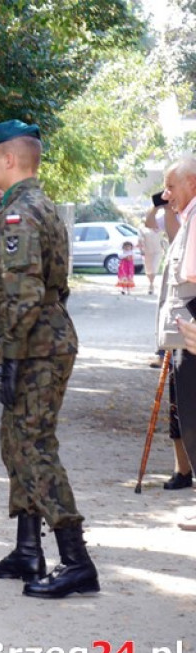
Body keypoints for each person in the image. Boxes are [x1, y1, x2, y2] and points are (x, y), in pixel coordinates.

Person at [0, 119, 99, 599]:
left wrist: (10, 356)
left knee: (33, 447)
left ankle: (77, 561)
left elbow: (25, 294)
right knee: (16, 442)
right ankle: (28, 548)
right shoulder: (34, 204)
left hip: (35, 344)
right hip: (42, 338)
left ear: (9, 159)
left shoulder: (20, 214)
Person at [156, 157, 196, 491]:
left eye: (171, 186)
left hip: (192, 330)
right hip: (184, 332)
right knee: (185, 412)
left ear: (192, 184)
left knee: (193, 416)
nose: (165, 194)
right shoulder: (188, 218)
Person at [141, 192, 171, 295]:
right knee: (149, 269)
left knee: (154, 267)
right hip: (148, 250)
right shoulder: (146, 228)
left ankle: (151, 284)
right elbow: (149, 224)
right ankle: (151, 283)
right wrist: (156, 206)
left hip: (158, 250)